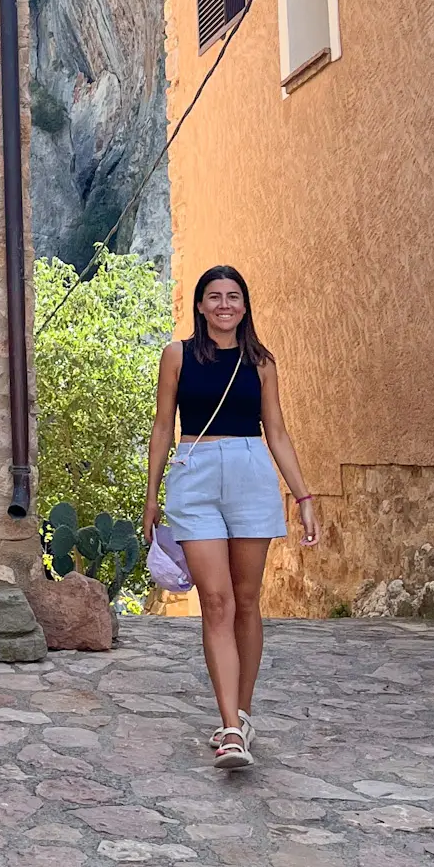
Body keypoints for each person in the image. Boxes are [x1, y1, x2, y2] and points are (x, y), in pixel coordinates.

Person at [142, 265, 319, 769]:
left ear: (244, 306)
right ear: (199, 305)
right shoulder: (176, 356)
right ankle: (229, 730)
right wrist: (151, 495)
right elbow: (161, 427)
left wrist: (304, 498)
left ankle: (241, 714)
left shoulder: (261, 362)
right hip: (194, 475)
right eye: (214, 296)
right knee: (215, 602)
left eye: (233, 297)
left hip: (250, 474)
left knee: (245, 601)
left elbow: (278, 433)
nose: (224, 305)